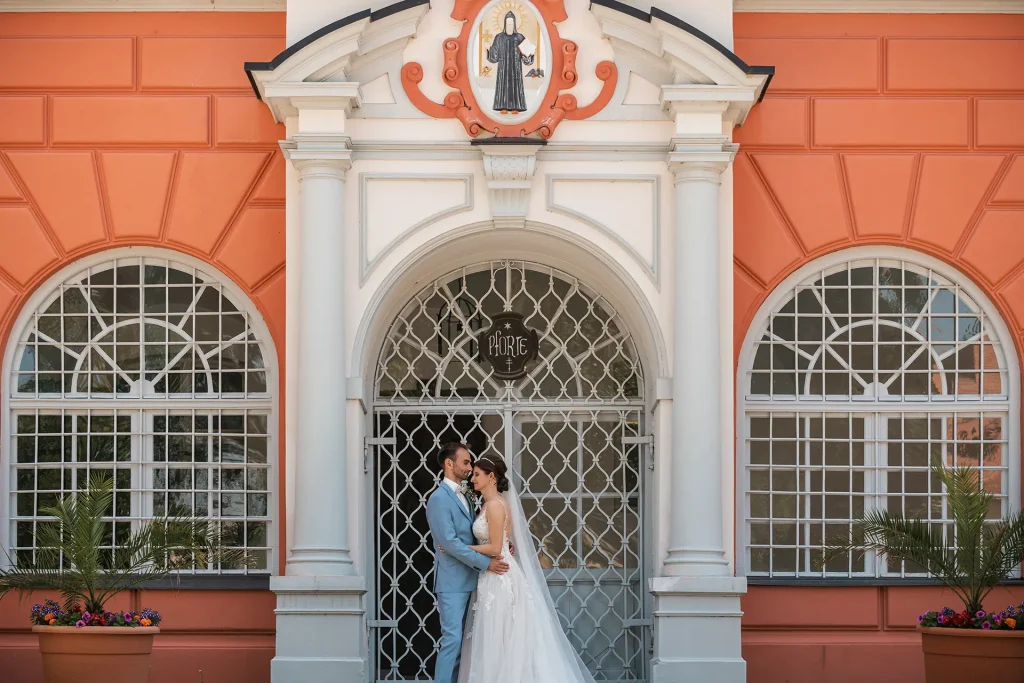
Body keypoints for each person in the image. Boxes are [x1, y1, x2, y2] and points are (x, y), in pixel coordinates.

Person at [453, 454, 598, 683]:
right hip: (494, 572)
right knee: (497, 633)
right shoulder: (491, 504)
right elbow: (504, 543)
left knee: (500, 632)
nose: (472, 479)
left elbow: (495, 547)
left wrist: (460, 546)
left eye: (477, 475)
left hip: (499, 574)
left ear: (491, 477)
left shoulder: (494, 505)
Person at [426, 443, 510, 683]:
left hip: (477, 581)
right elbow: (450, 544)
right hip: (453, 581)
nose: (470, 467)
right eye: (465, 462)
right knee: (452, 640)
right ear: (449, 464)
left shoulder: (470, 496)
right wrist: (487, 563)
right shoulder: (439, 499)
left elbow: (477, 533)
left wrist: (501, 543)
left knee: (470, 643)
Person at [486, 11, 534, 114]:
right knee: (503, 84)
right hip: (503, 68)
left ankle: (516, 107)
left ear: (515, 24)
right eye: (508, 24)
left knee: (515, 84)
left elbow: (526, 56)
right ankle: (502, 106)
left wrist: (531, 53)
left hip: (516, 68)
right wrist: (489, 49)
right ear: (504, 24)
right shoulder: (499, 37)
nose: (510, 26)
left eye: (511, 24)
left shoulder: (520, 37)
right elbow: (494, 57)